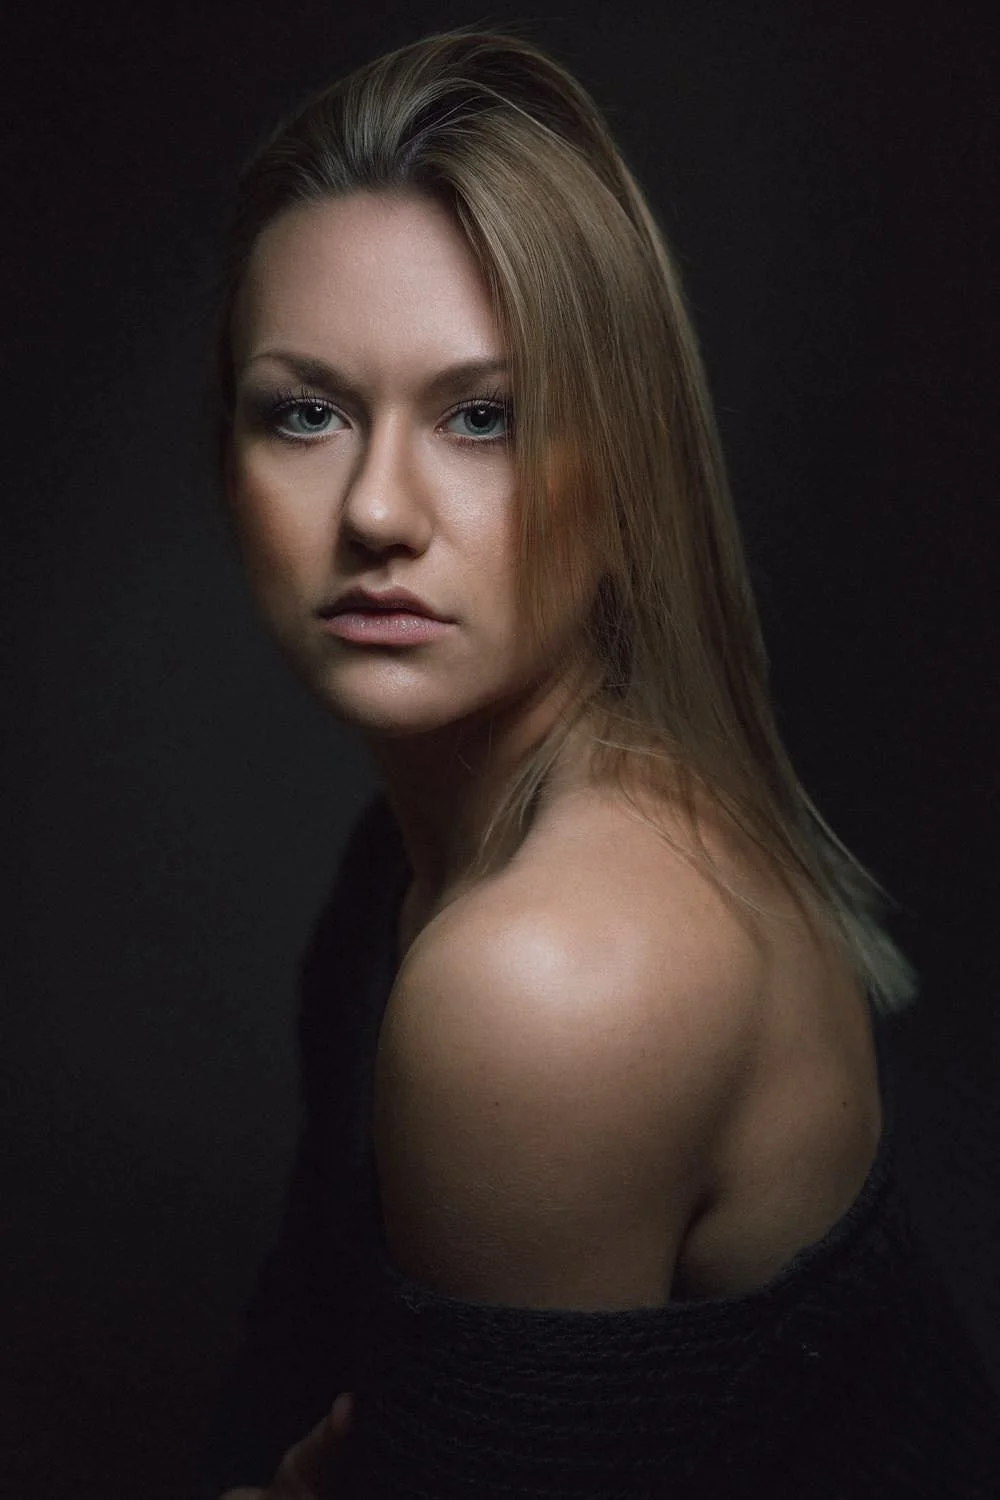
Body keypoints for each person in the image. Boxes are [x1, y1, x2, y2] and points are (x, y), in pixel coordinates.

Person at [193, 26, 1000, 1499]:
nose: (378, 507)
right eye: (305, 411)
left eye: (483, 417)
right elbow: (299, 1343)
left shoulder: (550, 976)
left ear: (629, 473)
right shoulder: (414, 854)